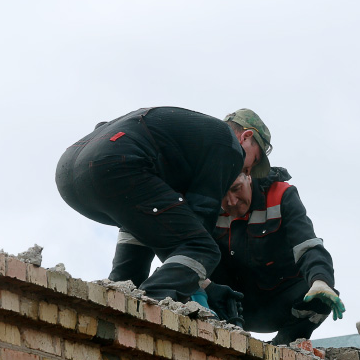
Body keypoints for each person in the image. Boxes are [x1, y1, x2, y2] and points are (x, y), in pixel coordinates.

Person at [55, 107, 271, 302]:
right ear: (245, 137)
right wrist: (201, 285)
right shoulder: (229, 145)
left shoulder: (188, 142)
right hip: (116, 163)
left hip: (71, 174)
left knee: (145, 225)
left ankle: (120, 292)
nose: (246, 171)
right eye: (254, 161)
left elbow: (159, 225)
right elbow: (199, 218)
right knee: (203, 248)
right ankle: (150, 306)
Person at [210, 166, 344, 344]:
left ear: (248, 177)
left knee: (321, 297)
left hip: (279, 302)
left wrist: (320, 280)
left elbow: (307, 245)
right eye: (223, 194)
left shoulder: (281, 195)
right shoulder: (207, 203)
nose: (232, 202)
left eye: (236, 189)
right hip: (231, 306)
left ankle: (283, 347)